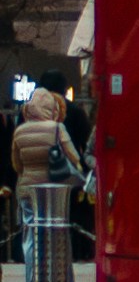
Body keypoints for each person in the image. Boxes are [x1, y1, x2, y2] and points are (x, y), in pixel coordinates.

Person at [9, 86, 84, 271]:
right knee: (55, 234)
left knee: (29, 236)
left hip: (26, 190)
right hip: (53, 190)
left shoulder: (19, 131)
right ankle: (54, 276)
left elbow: (16, 164)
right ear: (51, 108)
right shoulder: (57, 128)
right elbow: (74, 157)